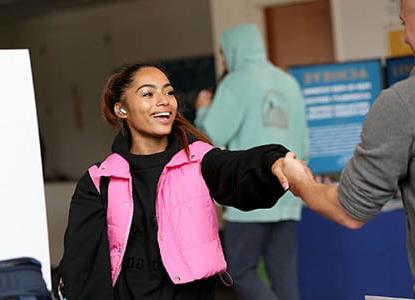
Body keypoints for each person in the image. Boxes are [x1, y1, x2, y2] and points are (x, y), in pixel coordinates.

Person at [55, 63, 291, 300]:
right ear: (121, 110)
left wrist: (273, 162)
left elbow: (234, 167)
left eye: (168, 92)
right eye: (148, 93)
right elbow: (81, 265)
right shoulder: (99, 180)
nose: (164, 100)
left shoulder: (199, 159)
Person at [274, 0, 415, 283]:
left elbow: (350, 210)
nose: (405, 36)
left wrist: (302, 182)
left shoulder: (401, 103)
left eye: (405, 22)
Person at [194, 24, 308, 300]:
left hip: (250, 199)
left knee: (239, 270)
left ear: (234, 50)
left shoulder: (236, 82)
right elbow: (305, 144)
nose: (224, 60)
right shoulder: (288, 82)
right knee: (284, 275)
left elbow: (211, 136)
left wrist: (203, 110)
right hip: (287, 195)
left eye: (223, 53)